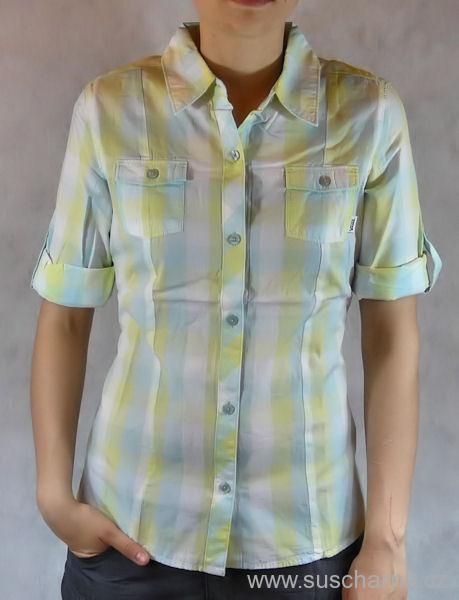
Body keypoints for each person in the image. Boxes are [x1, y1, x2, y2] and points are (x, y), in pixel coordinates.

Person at [29, 1, 443, 598]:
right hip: (130, 535)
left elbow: (392, 334)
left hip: (305, 548)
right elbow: (66, 316)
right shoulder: (110, 109)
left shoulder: (368, 115)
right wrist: (53, 496)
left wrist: (388, 540)